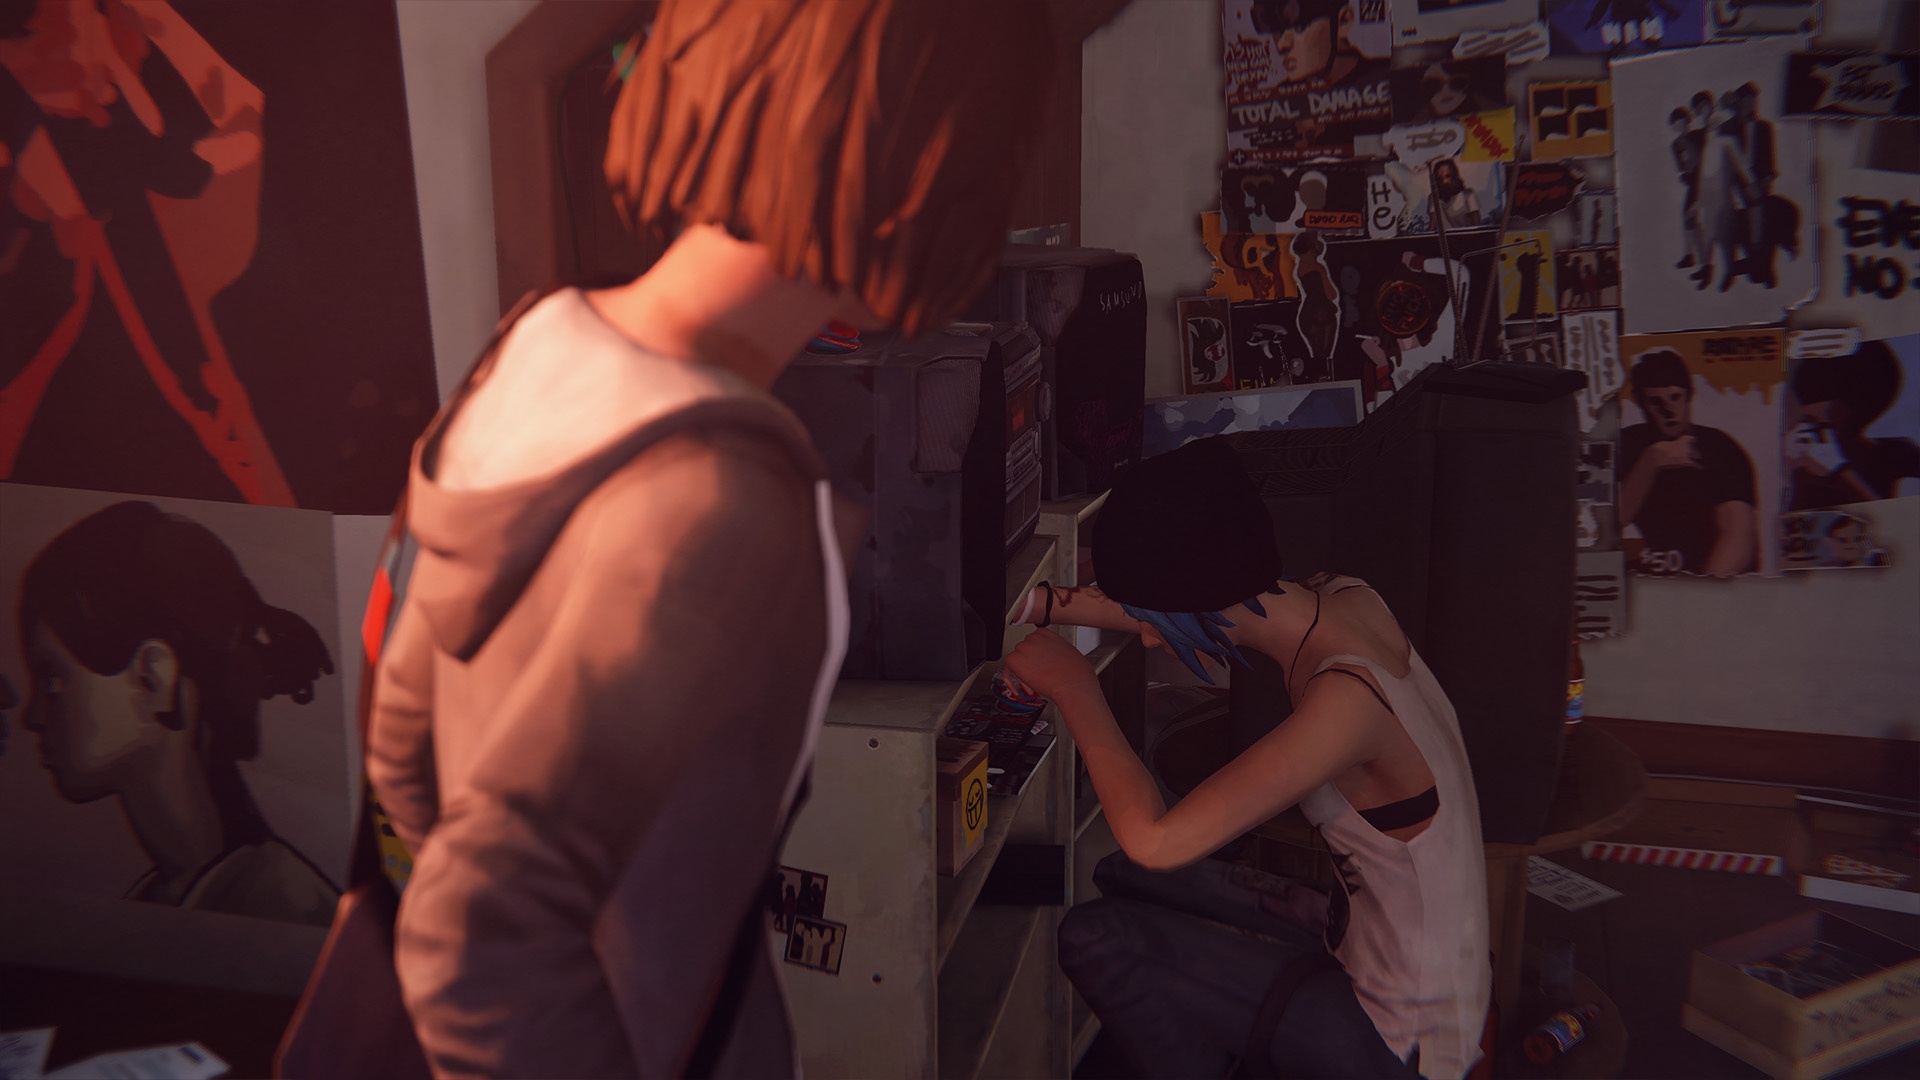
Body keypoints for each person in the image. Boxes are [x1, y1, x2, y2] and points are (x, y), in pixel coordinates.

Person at [359, 2, 1057, 1076]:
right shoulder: (724, 496)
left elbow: (406, 752)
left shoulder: (534, 343)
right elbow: (481, 931)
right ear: (921, 169)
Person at [1004, 437, 1490, 1080]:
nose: (1146, 636)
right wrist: (1038, 604)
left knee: (1097, 935)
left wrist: (1074, 687)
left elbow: (1155, 839)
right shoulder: (1348, 598)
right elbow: (1183, 590)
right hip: (1384, 947)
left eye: (1151, 620)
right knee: (1120, 874)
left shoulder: (1347, 704)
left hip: (1404, 1041)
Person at [16, 501, 339, 925]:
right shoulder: (167, 899)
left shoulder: (285, 912)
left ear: (153, 678)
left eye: (54, 681)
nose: (33, 715)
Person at [1619, 350, 1759, 576]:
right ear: (1640, 402)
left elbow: (1738, 532)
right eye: (1655, 401)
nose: (1668, 411)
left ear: (1689, 394)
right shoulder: (1628, 444)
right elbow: (1608, 524)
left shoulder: (1719, 447)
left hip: (1715, 576)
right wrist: (1651, 461)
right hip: (1653, 577)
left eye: (1675, 397)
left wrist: (1704, 590)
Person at [1785, 341, 1920, 509]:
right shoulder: (1809, 467)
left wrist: (1837, 473)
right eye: (1811, 420)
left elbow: (1900, 520)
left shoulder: (1899, 455)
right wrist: (1801, 473)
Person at [1428, 157, 1482, 229]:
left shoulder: (1468, 195)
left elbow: (1477, 227)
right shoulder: (1434, 198)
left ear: (1454, 176)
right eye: (1440, 179)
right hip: (1444, 237)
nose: (1444, 181)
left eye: (1448, 176)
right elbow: (1432, 227)